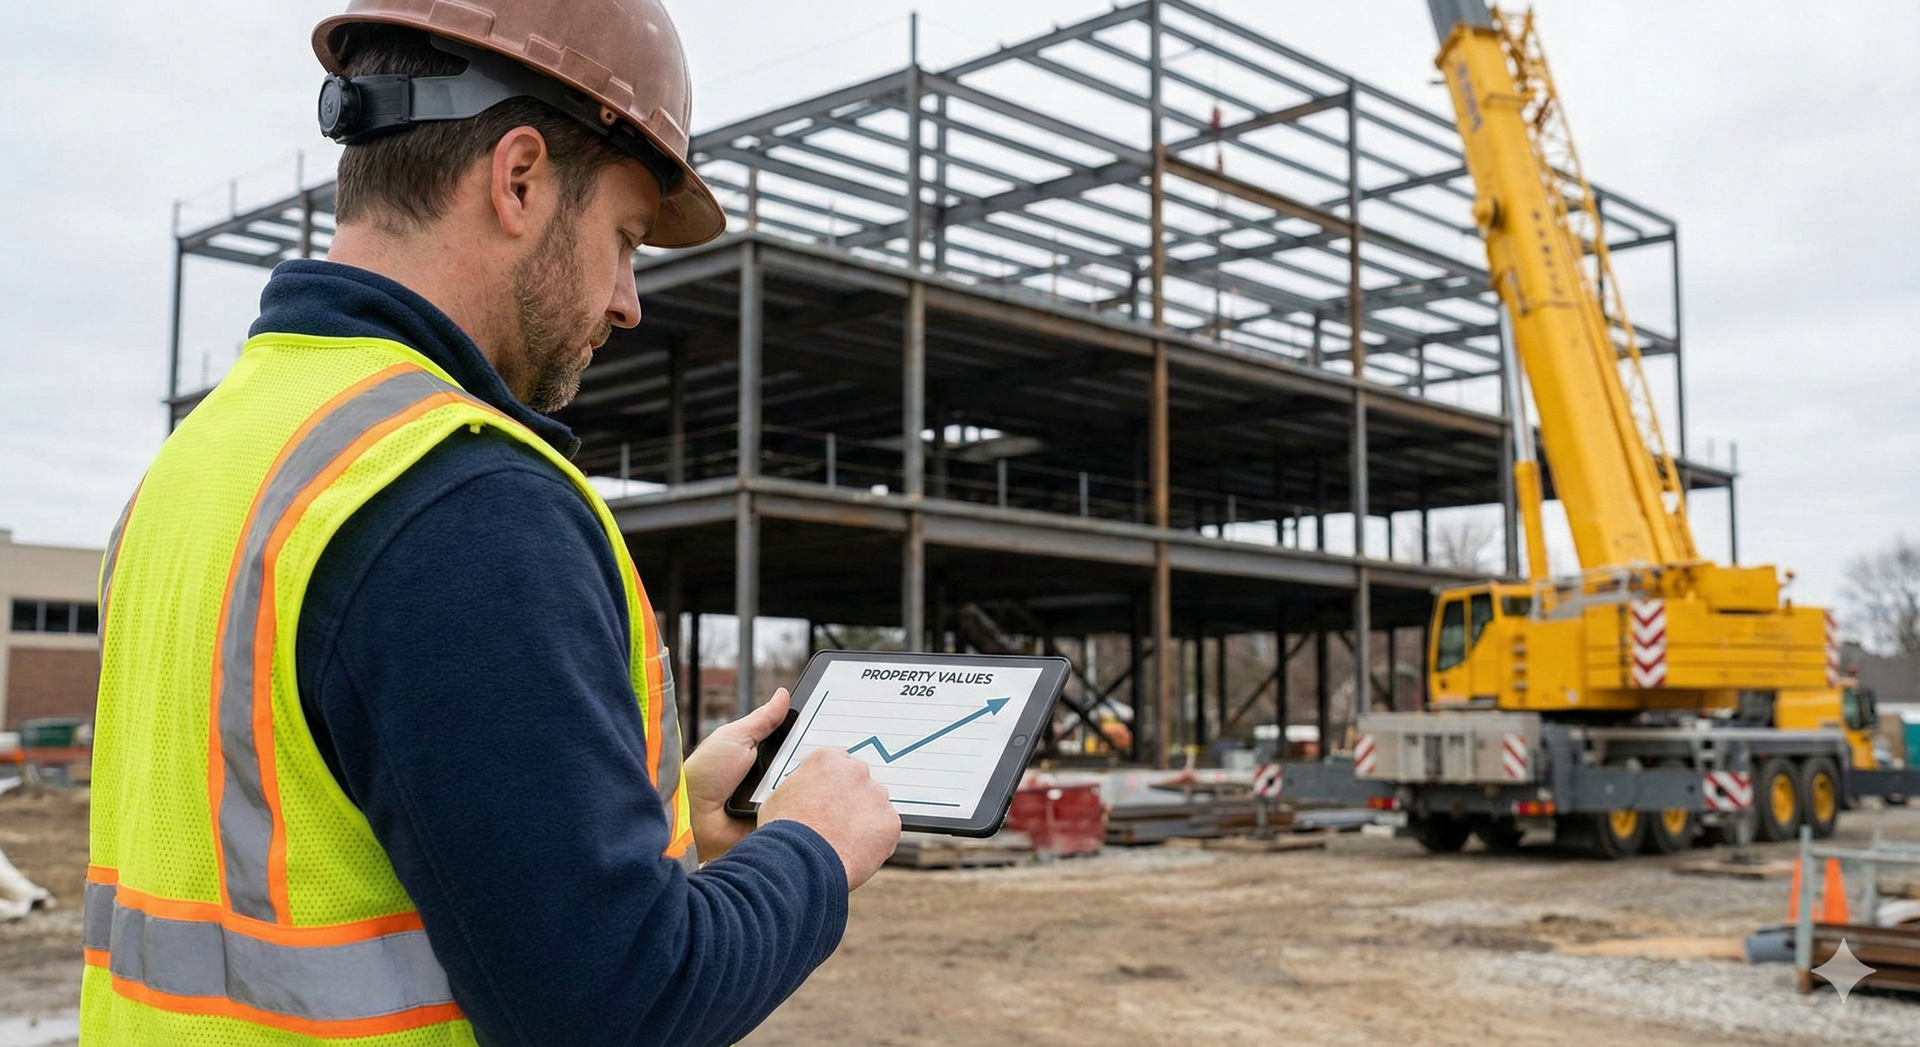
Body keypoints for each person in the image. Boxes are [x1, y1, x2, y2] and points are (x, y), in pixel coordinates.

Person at [80, 2, 900, 1044]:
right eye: (624, 240)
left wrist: (668, 813)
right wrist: (812, 850)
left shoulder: (203, 463)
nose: (628, 301)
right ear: (518, 180)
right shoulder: (459, 499)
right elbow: (622, 1006)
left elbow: (328, 830)